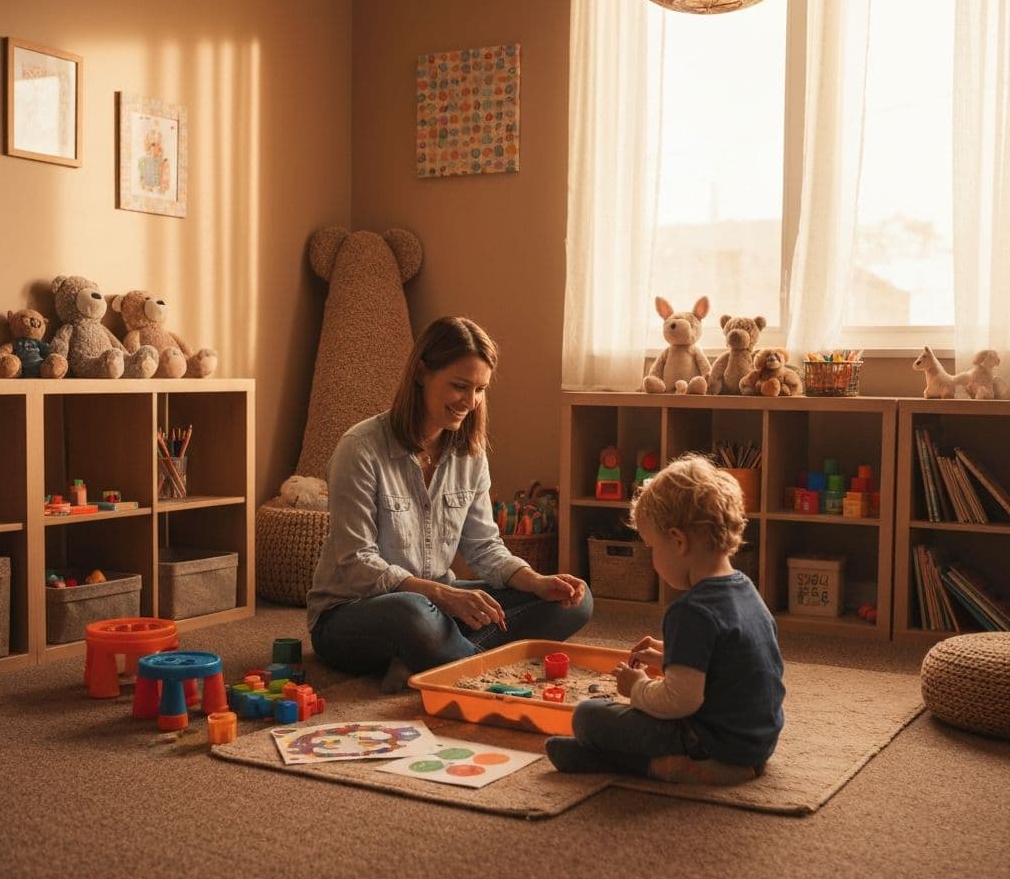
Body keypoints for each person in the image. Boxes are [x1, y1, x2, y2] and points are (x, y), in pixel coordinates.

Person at [306, 316, 593, 692]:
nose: (470, 402)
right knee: (413, 613)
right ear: (422, 372)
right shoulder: (359, 449)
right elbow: (357, 561)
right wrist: (443, 595)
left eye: (479, 390)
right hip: (353, 613)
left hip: (436, 609)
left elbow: (484, 547)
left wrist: (536, 582)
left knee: (574, 600)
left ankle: (427, 660)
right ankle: (474, 672)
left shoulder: (469, 455)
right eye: (459, 386)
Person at [545, 453, 784, 783]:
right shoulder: (746, 591)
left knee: (589, 717)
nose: (653, 560)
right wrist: (674, 656)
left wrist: (638, 687)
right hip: (757, 740)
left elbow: (679, 701)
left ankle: (664, 767)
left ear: (678, 541)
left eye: (652, 548)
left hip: (712, 742)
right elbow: (732, 665)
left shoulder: (691, 610)